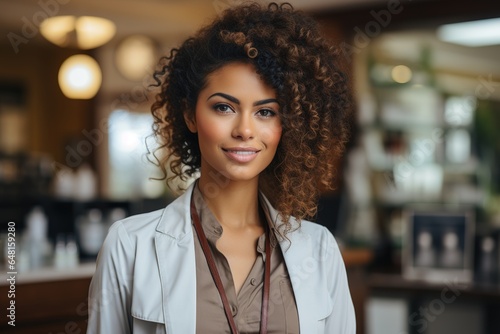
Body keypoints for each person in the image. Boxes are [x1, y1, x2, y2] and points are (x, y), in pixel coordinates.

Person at [87, 2, 355, 333]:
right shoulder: (130, 246)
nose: (245, 130)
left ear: (288, 125)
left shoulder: (320, 250)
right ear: (190, 114)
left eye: (266, 112)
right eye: (224, 107)